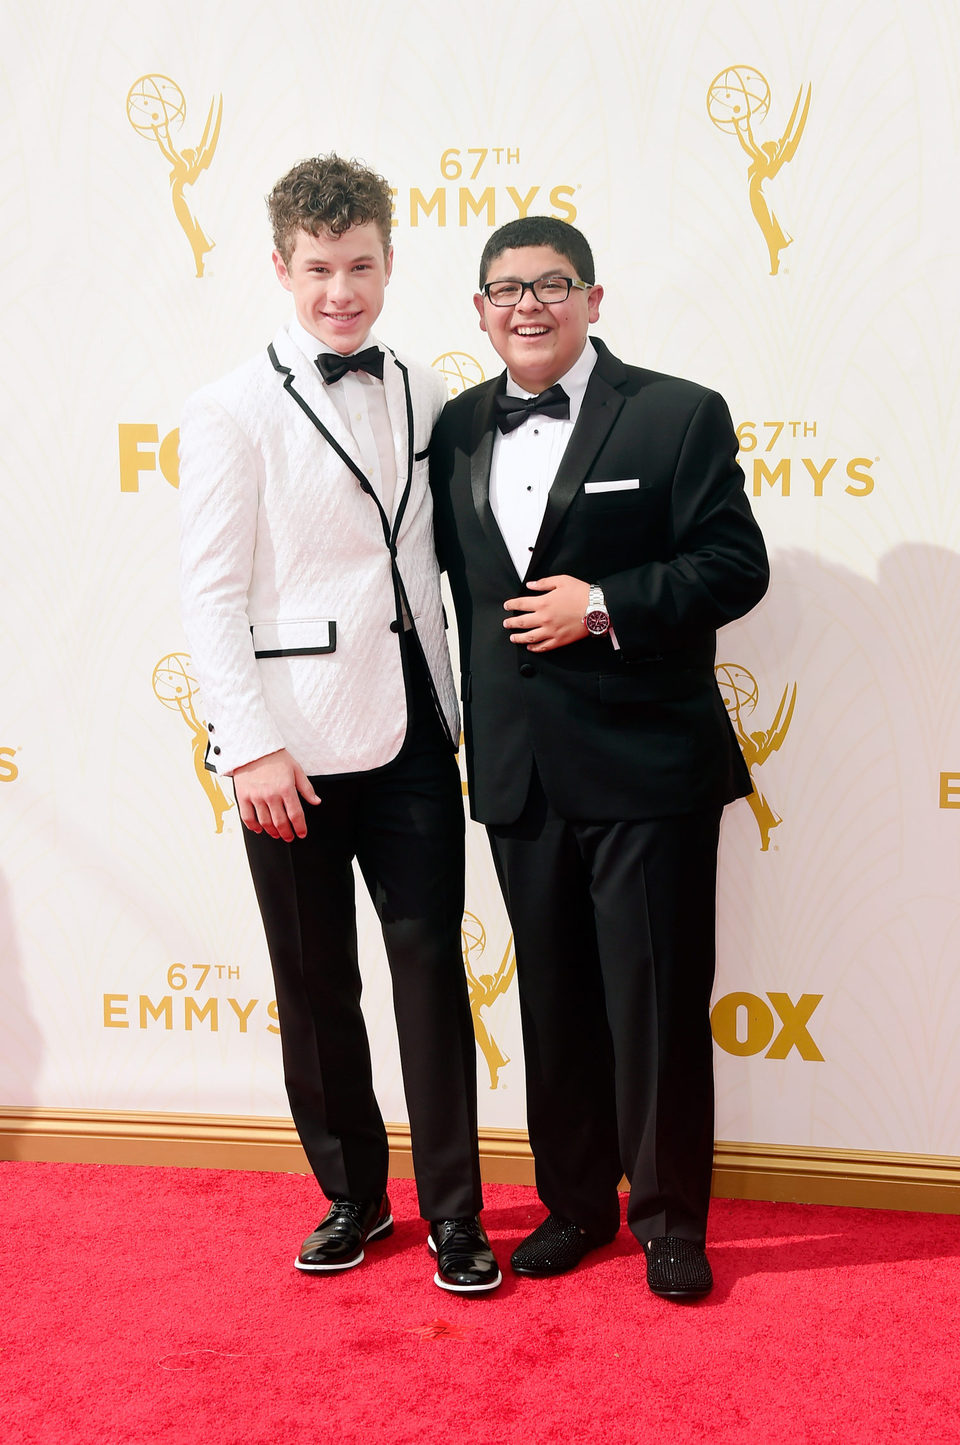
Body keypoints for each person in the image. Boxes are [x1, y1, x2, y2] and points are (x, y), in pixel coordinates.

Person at [430, 216, 769, 1300]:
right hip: (522, 773)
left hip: (649, 768)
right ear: (480, 310)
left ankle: (671, 1218)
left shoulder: (676, 414)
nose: (528, 305)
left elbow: (734, 564)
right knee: (556, 1002)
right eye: (506, 289)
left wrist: (607, 605)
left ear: (593, 297)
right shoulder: (457, 429)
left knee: (657, 1004)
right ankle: (576, 1203)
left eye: (552, 284)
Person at [178, 154, 500, 1294]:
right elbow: (210, 593)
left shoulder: (424, 387)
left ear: (390, 260)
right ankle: (355, 1197)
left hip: (415, 726)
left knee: (429, 975)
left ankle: (456, 1212)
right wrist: (246, 743)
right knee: (316, 985)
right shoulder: (229, 408)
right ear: (280, 266)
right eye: (319, 269)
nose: (341, 292)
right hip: (291, 753)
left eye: (361, 265)